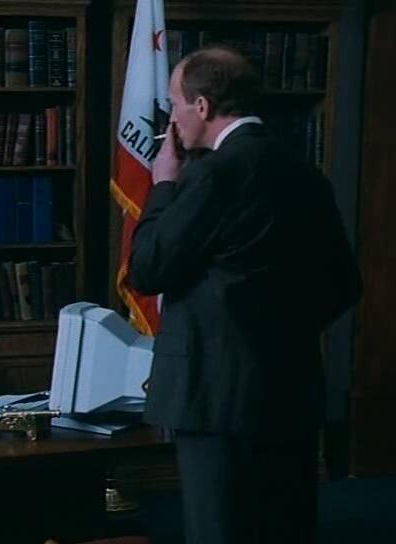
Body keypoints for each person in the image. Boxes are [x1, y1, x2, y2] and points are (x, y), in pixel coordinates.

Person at [129, 46, 361, 544]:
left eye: (175, 104)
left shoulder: (215, 173)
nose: (172, 119)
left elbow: (147, 269)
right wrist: (279, 333)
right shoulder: (305, 172)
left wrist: (163, 185)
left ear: (202, 106)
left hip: (215, 398)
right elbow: (344, 284)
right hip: (292, 393)